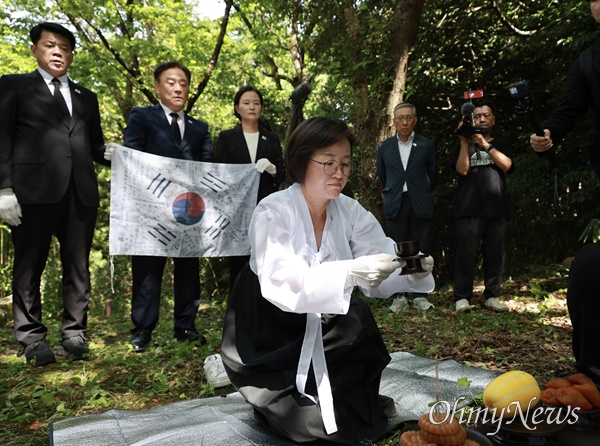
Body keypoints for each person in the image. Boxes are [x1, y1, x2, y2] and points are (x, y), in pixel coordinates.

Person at [221, 117, 434, 444]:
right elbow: (280, 283)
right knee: (310, 424)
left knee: (358, 378)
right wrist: (347, 272)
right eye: (329, 163)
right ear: (301, 161)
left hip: (325, 322)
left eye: (346, 164)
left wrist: (411, 269)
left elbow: (380, 259)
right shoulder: (273, 211)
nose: (340, 173)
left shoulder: (350, 211)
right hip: (269, 328)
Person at [0, 22, 110, 365]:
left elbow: (95, 146)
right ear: (35, 49)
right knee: (29, 264)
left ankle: (74, 333)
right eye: (50, 45)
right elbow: (1, 140)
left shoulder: (86, 97)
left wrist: (116, 154)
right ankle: (31, 338)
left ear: (72, 55)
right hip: (31, 193)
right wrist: (4, 190)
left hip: (80, 193)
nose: (58, 52)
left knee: (78, 265)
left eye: (64, 47)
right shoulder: (14, 86)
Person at [109, 61, 214, 353]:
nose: (178, 87)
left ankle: (185, 325)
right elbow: (134, 157)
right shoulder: (141, 116)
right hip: (150, 210)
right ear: (157, 87)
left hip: (187, 211)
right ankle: (143, 328)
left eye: (183, 82)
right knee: (147, 269)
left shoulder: (199, 127)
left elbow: (207, 166)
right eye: (170, 82)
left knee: (188, 269)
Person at [530, 0, 600, 384]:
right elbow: (568, 110)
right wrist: (549, 135)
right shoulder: (588, 61)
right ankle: (592, 374)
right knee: (588, 270)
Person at [214, 86, 285, 291]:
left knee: (266, 256)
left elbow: (282, 172)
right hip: (235, 209)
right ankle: (236, 313)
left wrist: (272, 169)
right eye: (246, 103)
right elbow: (218, 172)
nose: (252, 107)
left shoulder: (270, 139)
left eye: (256, 102)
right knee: (238, 260)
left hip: (265, 206)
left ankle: (265, 305)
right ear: (237, 108)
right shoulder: (227, 137)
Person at [450, 99, 514, 313]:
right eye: (477, 116)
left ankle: (492, 296)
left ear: (493, 119)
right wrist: (463, 141)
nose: (482, 119)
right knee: (466, 254)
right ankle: (462, 297)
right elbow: (462, 170)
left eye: (486, 115)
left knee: (495, 253)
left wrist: (486, 145)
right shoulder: (464, 144)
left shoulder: (500, 143)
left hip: (496, 208)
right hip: (469, 208)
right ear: (471, 119)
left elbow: (507, 165)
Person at [376, 102, 437, 311]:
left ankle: (420, 294)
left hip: (420, 201)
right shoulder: (384, 147)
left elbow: (432, 174)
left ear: (415, 120)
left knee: (420, 247)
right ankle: (399, 295)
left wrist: (420, 190)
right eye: (400, 118)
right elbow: (383, 177)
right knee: (397, 247)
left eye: (408, 117)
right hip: (395, 202)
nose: (404, 122)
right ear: (394, 122)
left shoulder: (426, 145)